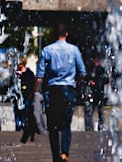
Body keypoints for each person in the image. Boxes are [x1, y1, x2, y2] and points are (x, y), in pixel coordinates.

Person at [36, 23, 86, 162]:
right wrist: (77, 84)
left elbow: (39, 76)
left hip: (53, 90)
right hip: (69, 89)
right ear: (67, 34)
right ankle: (65, 153)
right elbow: (82, 72)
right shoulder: (74, 50)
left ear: (54, 34)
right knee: (66, 124)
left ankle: (55, 157)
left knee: (52, 126)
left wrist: (35, 92)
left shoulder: (47, 50)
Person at [15, 58, 39, 142]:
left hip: (27, 96)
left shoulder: (29, 73)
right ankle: (18, 128)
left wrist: (30, 92)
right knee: (17, 113)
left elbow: (32, 83)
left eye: (20, 64)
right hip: (17, 97)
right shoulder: (15, 74)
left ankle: (27, 129)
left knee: (27, 113)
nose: (19, 65)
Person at [82, 57, 108, 132]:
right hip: (98, 93)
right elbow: (106, 80)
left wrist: (93, 82)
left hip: (96, 93)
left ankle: (91, 127)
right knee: (97, 111)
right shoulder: (97, 69)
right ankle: (98, 127)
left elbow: (105, 80)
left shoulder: (95, 69)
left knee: (92, 111)